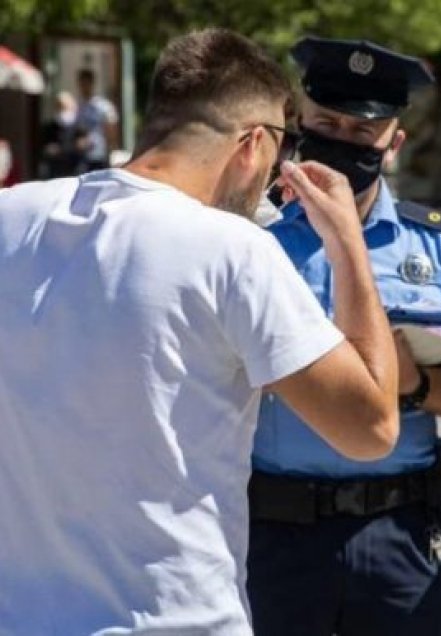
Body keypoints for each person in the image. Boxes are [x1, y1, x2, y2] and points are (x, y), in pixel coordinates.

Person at [0, 28, 399, 635]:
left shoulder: (13, 216)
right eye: (283, 149)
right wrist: (347, 245)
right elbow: (371, 428)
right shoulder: (232, 250)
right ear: (253, 143)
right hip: (175, 620)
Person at [247, 36, 441, 636]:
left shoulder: (440, 245)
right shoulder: (252, 238)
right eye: (326, 123)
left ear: (394, 142)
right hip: (273, 529)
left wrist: (414, 384)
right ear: (298, 125)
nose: (342, 141)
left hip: (399, 531)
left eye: (363, 132)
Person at [75, 68, 119, 171]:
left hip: (100, 154)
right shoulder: (80, 107)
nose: (83, 87)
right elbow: (80, 130)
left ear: (91, 83)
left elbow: (111, 128)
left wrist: (110, 150)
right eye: (81, 84)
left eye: (86, 83)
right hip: (84, 155)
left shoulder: (102, 106)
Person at [40, 90, 82, 177]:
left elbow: (83, 145)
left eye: (65, 107)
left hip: (75, 169)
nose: (62, 111)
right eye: (59, 107)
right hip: (55, 171)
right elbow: (44, 147)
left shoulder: (79, 127)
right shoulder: (49, 127)